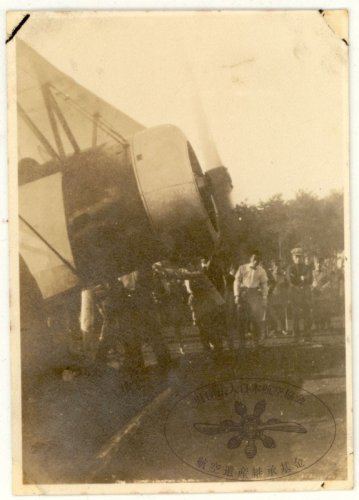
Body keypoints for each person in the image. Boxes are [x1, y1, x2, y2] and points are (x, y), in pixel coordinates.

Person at [233, 251, 269, 347]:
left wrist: (264, 297)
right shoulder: (242, 268)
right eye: (254, 259)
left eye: (258, 259)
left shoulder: (261, 270)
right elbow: (236, 281)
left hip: (254, 294)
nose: (256, 261)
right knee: (241, 318)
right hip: (243, 294)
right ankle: (242, 342)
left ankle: (256, 341)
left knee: (255, 318)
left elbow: (264, 284)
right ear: (250, 259)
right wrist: (236, 295)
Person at [286, 247, 313, 343]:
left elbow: (310, 279)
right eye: (296, 257)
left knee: (307, 315)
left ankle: (307, 336)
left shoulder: (307, 267)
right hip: (295, 294)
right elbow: (290, 280)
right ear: (293, 257)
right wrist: (302, 278)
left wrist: (301, 278)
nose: (298, 258)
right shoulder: (290, 268)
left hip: (305, 294)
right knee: (295, 315)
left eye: (300, 257)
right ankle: (296, 336)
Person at [267, 260, 289, 336]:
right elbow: (266, 285)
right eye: (275, 266)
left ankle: (283, 329)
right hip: (272, 297)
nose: (277, 268)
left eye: (278, 266)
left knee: (281, 313)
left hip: (281, 297)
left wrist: (286, 297)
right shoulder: (269, 276)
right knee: (272, 314)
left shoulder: (283, 276)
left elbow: (287, 287)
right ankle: (273, 330)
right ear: (272, 267)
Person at [311, 257, 331, 330]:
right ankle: (316, 325)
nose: (318, 264)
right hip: (315, 294)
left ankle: (324, 325)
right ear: (314, 264)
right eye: (317, 263)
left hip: (323, 294)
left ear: (322, 263)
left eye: (320, 263)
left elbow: (329, 282)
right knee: (315, 310)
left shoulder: (326, 272)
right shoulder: (312, 273)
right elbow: (309, 282)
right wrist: (313, 286)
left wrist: (322, 288)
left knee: (323, 310)